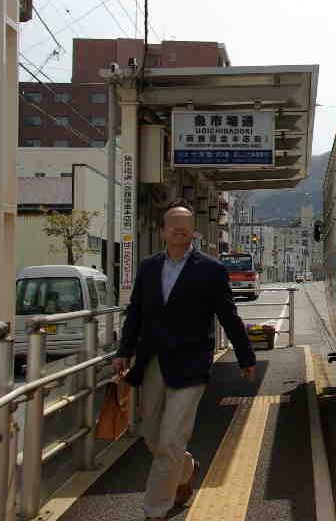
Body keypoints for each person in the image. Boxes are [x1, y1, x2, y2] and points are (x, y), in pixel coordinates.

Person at [113, 199, 256, 521]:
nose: (180, 229)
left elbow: (228, 315)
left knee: (171, 439)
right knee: (151, 434)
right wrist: (124, 351)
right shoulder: (149, 267)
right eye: (174, 225)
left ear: (194, 232)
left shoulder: (211, 269)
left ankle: (156, 508)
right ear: (163, 231)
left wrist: (245, 356)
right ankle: (187, 467)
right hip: (152, 362)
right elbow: (136, 311)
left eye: (186, 225)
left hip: (191, 366)